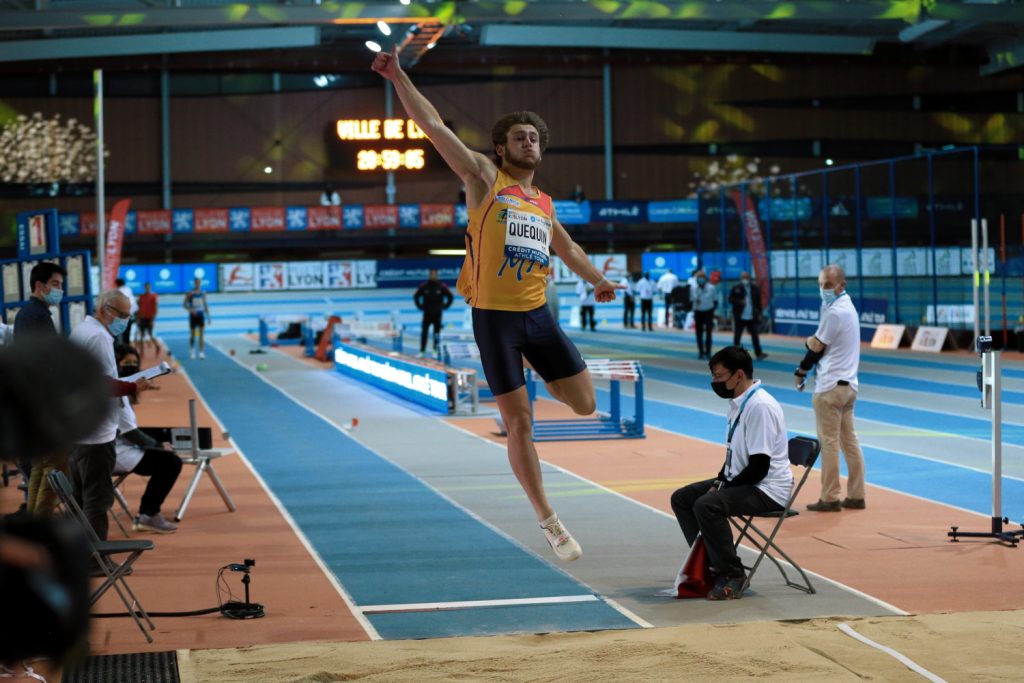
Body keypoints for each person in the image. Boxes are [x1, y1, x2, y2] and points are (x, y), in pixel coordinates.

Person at [373, 45, 624, 562]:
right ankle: (549, 521)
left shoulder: (543, 202)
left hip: (538, 316)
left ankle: (534, 366)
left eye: (535, 138)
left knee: (585, 404)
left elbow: (568, 248)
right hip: (495, 320)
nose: (529, 143)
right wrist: (398, 76)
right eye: (519, 137)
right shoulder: (486, 179)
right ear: (501, 148)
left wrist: (598, 279)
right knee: (520, 424)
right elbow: (435, 127)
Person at [670, 346, 792, 600]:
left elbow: (759, 466)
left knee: (707, 505)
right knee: (682, 498)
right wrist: (720, 480)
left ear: (738, 375)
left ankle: (733, 574)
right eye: (713, 376)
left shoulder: (760, 406)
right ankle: (708, 563)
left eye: (719, 377)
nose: (715, 383)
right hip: (746, 480)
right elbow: (733, 456)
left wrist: (724, 488)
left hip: (768, 489)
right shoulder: (738, 402)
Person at [69, 290, 152, 543]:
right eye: (123, 315)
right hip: (96, 433)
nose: (126, 320)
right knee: (97, 498)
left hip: (80, 427)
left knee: (84, 495)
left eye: (129, 315)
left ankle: (84, 554)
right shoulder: (99, 337)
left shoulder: (82, 330)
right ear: (106, 310)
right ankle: (96, 559)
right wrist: (133, 387)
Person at [795, 264, 866, 512]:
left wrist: (801, 371)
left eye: (827, 285)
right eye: (821, 284)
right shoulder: (845, 307)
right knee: (850, 442)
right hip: (848, 386)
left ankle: (830, 497)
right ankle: (857, 495)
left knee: (829, 443)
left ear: (841, 285)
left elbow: (816, 346)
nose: (823, 289)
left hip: (830, 388)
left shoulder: (835, 312)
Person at [114, 345, 181, 533]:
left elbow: (130, 430)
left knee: (165, 458)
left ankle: (148, 514)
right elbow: (130, 433)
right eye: (126, 363)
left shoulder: (119, 391)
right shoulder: (117, 395)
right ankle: (148, 515)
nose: (132, 367)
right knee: (171, 462)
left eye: (135, 363)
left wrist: (156, 443)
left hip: (117, 448)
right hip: (114, 453)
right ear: (115, 365)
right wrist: (158, 445)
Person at [14, 262, 65, 339]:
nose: (60, 289)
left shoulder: (26, 311)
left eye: (61, 284)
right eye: (55, 284)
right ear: (39, 285)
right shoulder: (39, 315)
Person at [413, 269, 454, 355]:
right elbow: (416, 296)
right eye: (432, 274)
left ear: (437, 275)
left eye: (435, 274)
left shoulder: (442, 286)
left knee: (437, 333)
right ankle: (422, 351)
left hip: (437, 314)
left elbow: (450, 296)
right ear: (429, 275)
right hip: (427, 313)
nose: (433, 276)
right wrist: (420, 306)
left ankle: (435, 350)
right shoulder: (424, 286)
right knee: (424, 332)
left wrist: (445, 306)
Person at [728, 271, 767, 360]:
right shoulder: (736, 288)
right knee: (737, 336)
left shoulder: (754, 288)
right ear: (741, 278)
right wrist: (739, 302)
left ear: (749, 278)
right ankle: (735, 354)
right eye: (743, 277)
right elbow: (730, 299)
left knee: (755, 335)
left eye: (746, 277)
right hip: (740, 316)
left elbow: (758, 302)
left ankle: (759, 353)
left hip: (752, 316)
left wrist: (760, 313)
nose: (745, 279)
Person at [183, 277, 210, 359]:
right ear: (194, 283)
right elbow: (184, 304)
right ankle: (192, 350)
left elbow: (205, 304)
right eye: (196, 282)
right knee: (192, 335)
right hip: (193, 316)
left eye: (199, 282)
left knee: (201, 335)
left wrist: (208, 317)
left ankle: (201, 352)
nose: (198, 284)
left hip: (201, 315)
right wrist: (191, 310)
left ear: (200, 283)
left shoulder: (203, 293)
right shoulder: (190, 293)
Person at [692, 270, 717, 359]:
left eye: (702, 278)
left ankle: (708, 351)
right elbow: (691, 300)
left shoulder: (711, 288)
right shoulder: (694, 288)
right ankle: (701, 351)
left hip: (708, 311)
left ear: (705, 278)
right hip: (698, 312)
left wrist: (713, 311)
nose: (700, 279)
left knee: (708, 333)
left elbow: (715, 300)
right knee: (699, 333)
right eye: (699, 278)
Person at [135, 282, 159, 357]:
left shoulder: (154, 296)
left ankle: (157, 346)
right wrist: (137, 318)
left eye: (148, 287)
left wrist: (153, 319)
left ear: (150, 287)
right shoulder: (141, 296)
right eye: (146, 287)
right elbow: (137, 308)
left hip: (149, 318)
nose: (147, 288)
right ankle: (142, 353)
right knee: (141, 336)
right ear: (144, 287)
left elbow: (155, 309)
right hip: (142, 318)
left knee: (150, 335)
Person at [115, 278, 137, 346]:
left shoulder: (118, 291)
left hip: (123, 315)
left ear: (117, 284)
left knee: (120, 332)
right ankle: (126, 346)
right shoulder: (128, 289)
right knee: (127, 332)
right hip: (130, 314)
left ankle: (123, 347)